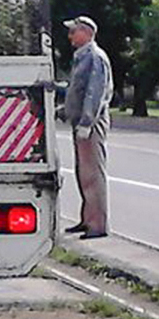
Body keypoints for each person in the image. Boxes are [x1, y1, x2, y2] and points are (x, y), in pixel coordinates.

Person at [59, 15, 113, 239]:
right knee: (83, 172)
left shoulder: (94, 57)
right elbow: (77, 91)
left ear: (87, 33)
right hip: (80, 121)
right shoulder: (81, 57)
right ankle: (87, 218)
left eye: (74, 31)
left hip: (90, 123)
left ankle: (97, 225)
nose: (70, 36)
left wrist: (86, 122)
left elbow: (95, 92)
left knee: (93, 174)